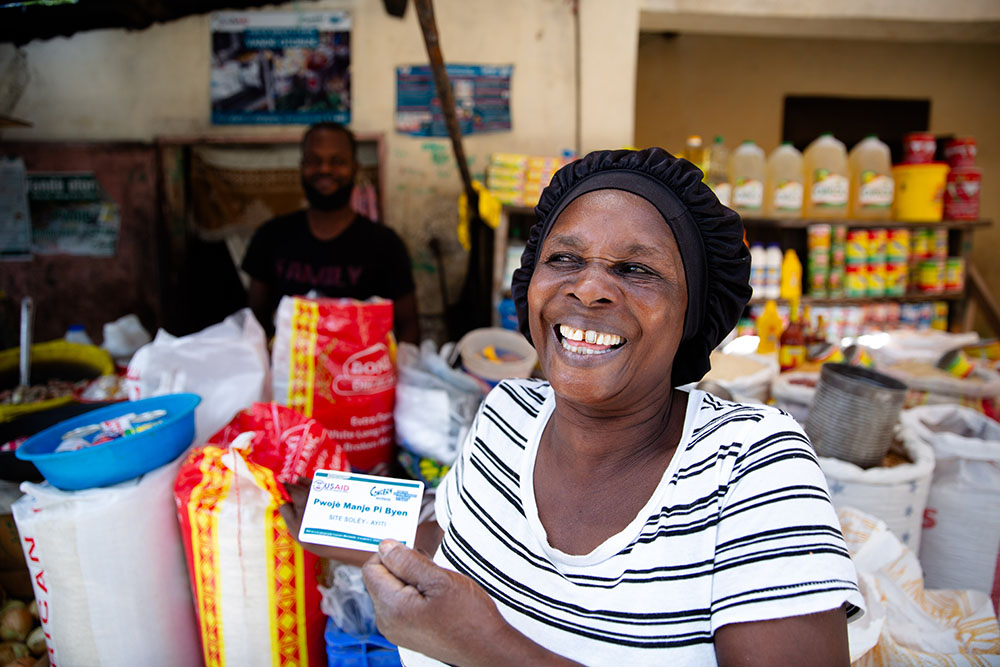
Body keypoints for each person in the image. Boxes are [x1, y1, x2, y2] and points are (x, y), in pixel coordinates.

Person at [280, 147, 865, 666]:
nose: (588, 289)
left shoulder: (752, 466)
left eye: (636, 269)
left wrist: (489, 650)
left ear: (693, 313)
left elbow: (475, 630)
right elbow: (460, 537)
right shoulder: (506, 416)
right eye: (564, 259)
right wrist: (324, 505)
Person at [242, 122, 420, 344]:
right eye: (314, 160)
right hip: (291, 373)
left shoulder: (385, 244)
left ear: (355, 168)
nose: (324, 169)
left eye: (337, 161)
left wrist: (400, 369)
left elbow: (409, 326)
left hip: (360, 372)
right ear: (302, 166)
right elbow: (256, 320)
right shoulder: (270, 236)